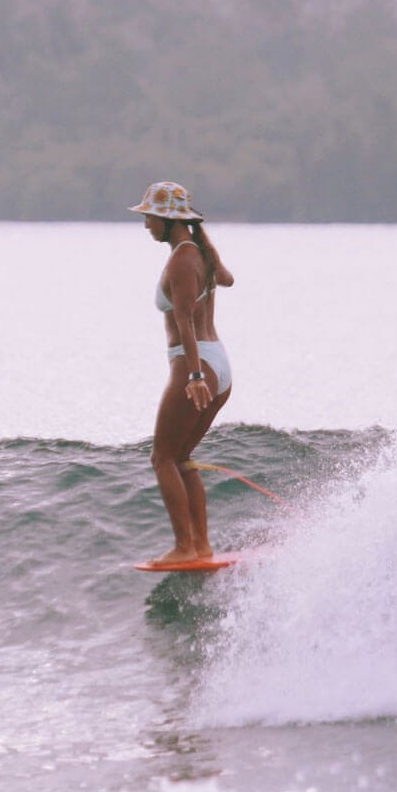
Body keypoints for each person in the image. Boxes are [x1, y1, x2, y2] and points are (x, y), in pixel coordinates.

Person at [130, 181, 236, 566]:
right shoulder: (198, 255)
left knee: (161, 457)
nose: (145, 226)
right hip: (219, 363)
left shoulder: (180, 261)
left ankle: (184, 546)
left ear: (167, 220)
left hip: (196, 363)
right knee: (183, 456)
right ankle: (201, 545)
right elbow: (227, 279)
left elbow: (186, 321)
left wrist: (193, 377)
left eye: (149, 218)